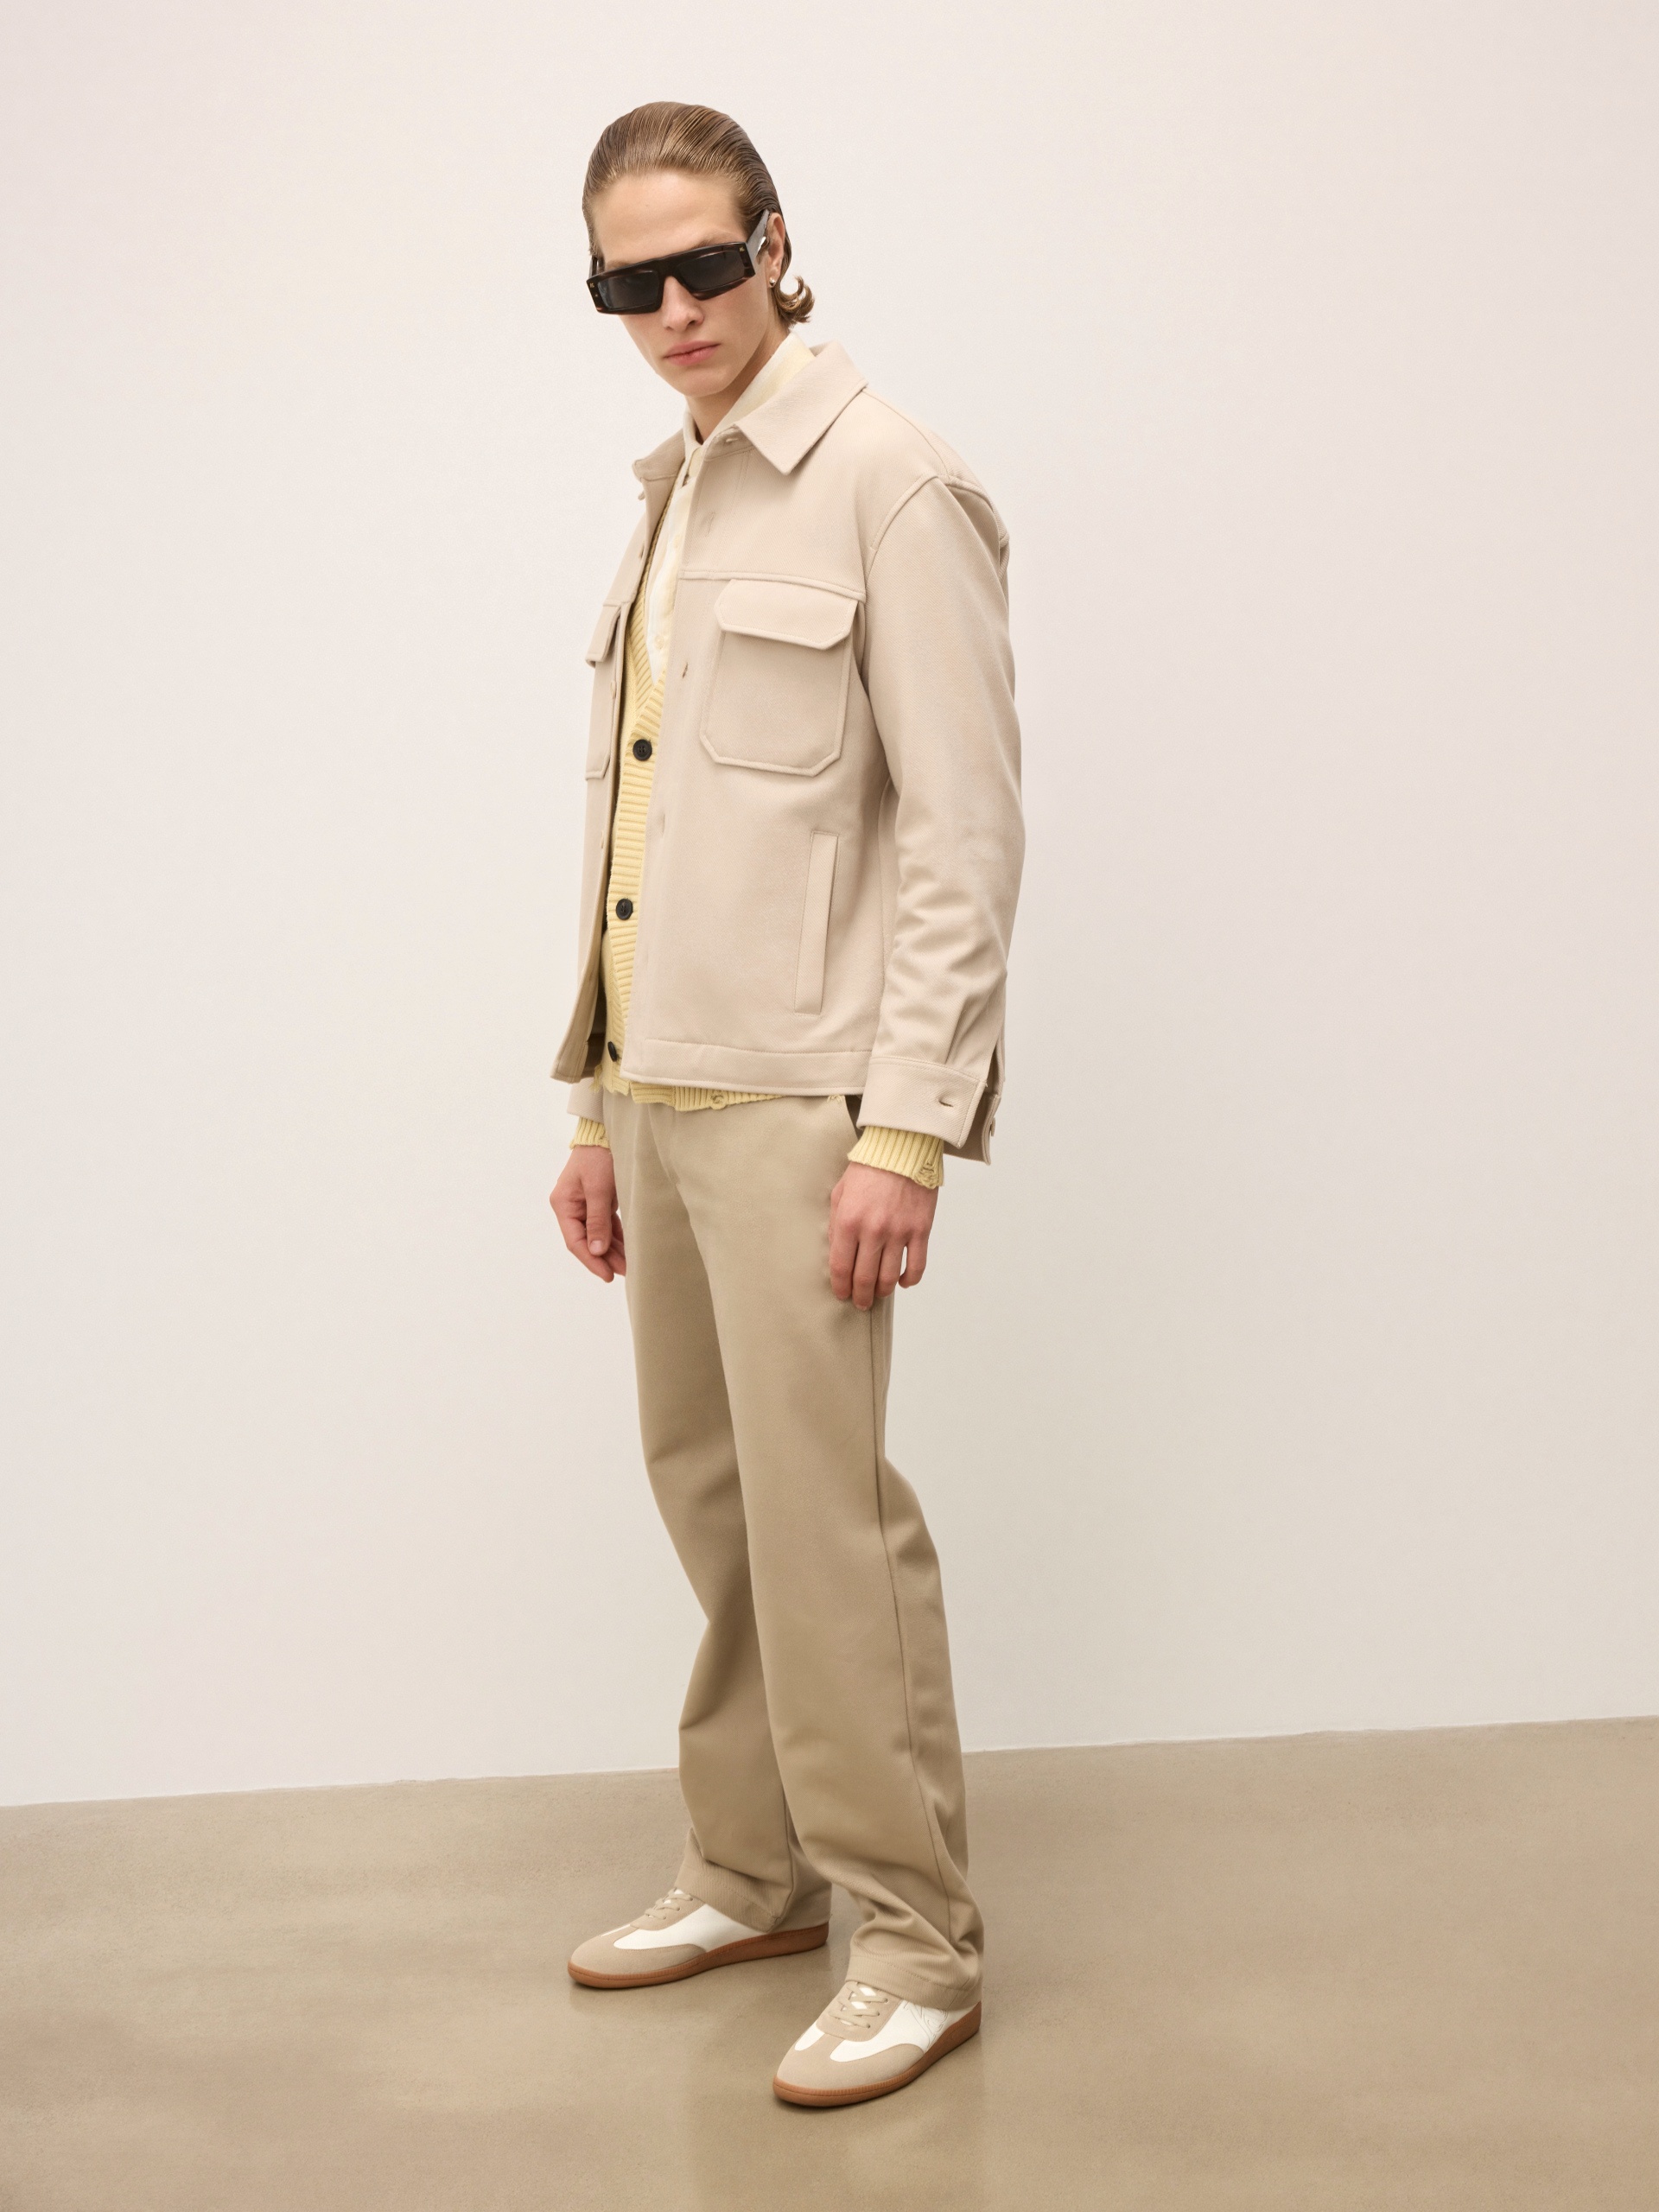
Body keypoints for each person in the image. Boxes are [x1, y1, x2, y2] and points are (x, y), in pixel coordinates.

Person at [548, 100, 1023, 2108]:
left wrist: (906, 1127)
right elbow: (636, 826)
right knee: (715, 1496)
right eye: (624, 282)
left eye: (698, 264)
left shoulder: (888, 482)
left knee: (827, 1527)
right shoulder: (672, 495)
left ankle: (912, 1936)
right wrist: (591, 1101)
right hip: (662, 1086)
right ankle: (752, 1870)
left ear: (771, 246)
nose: (670, 308)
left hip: (806, 1101)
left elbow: (966, 833)